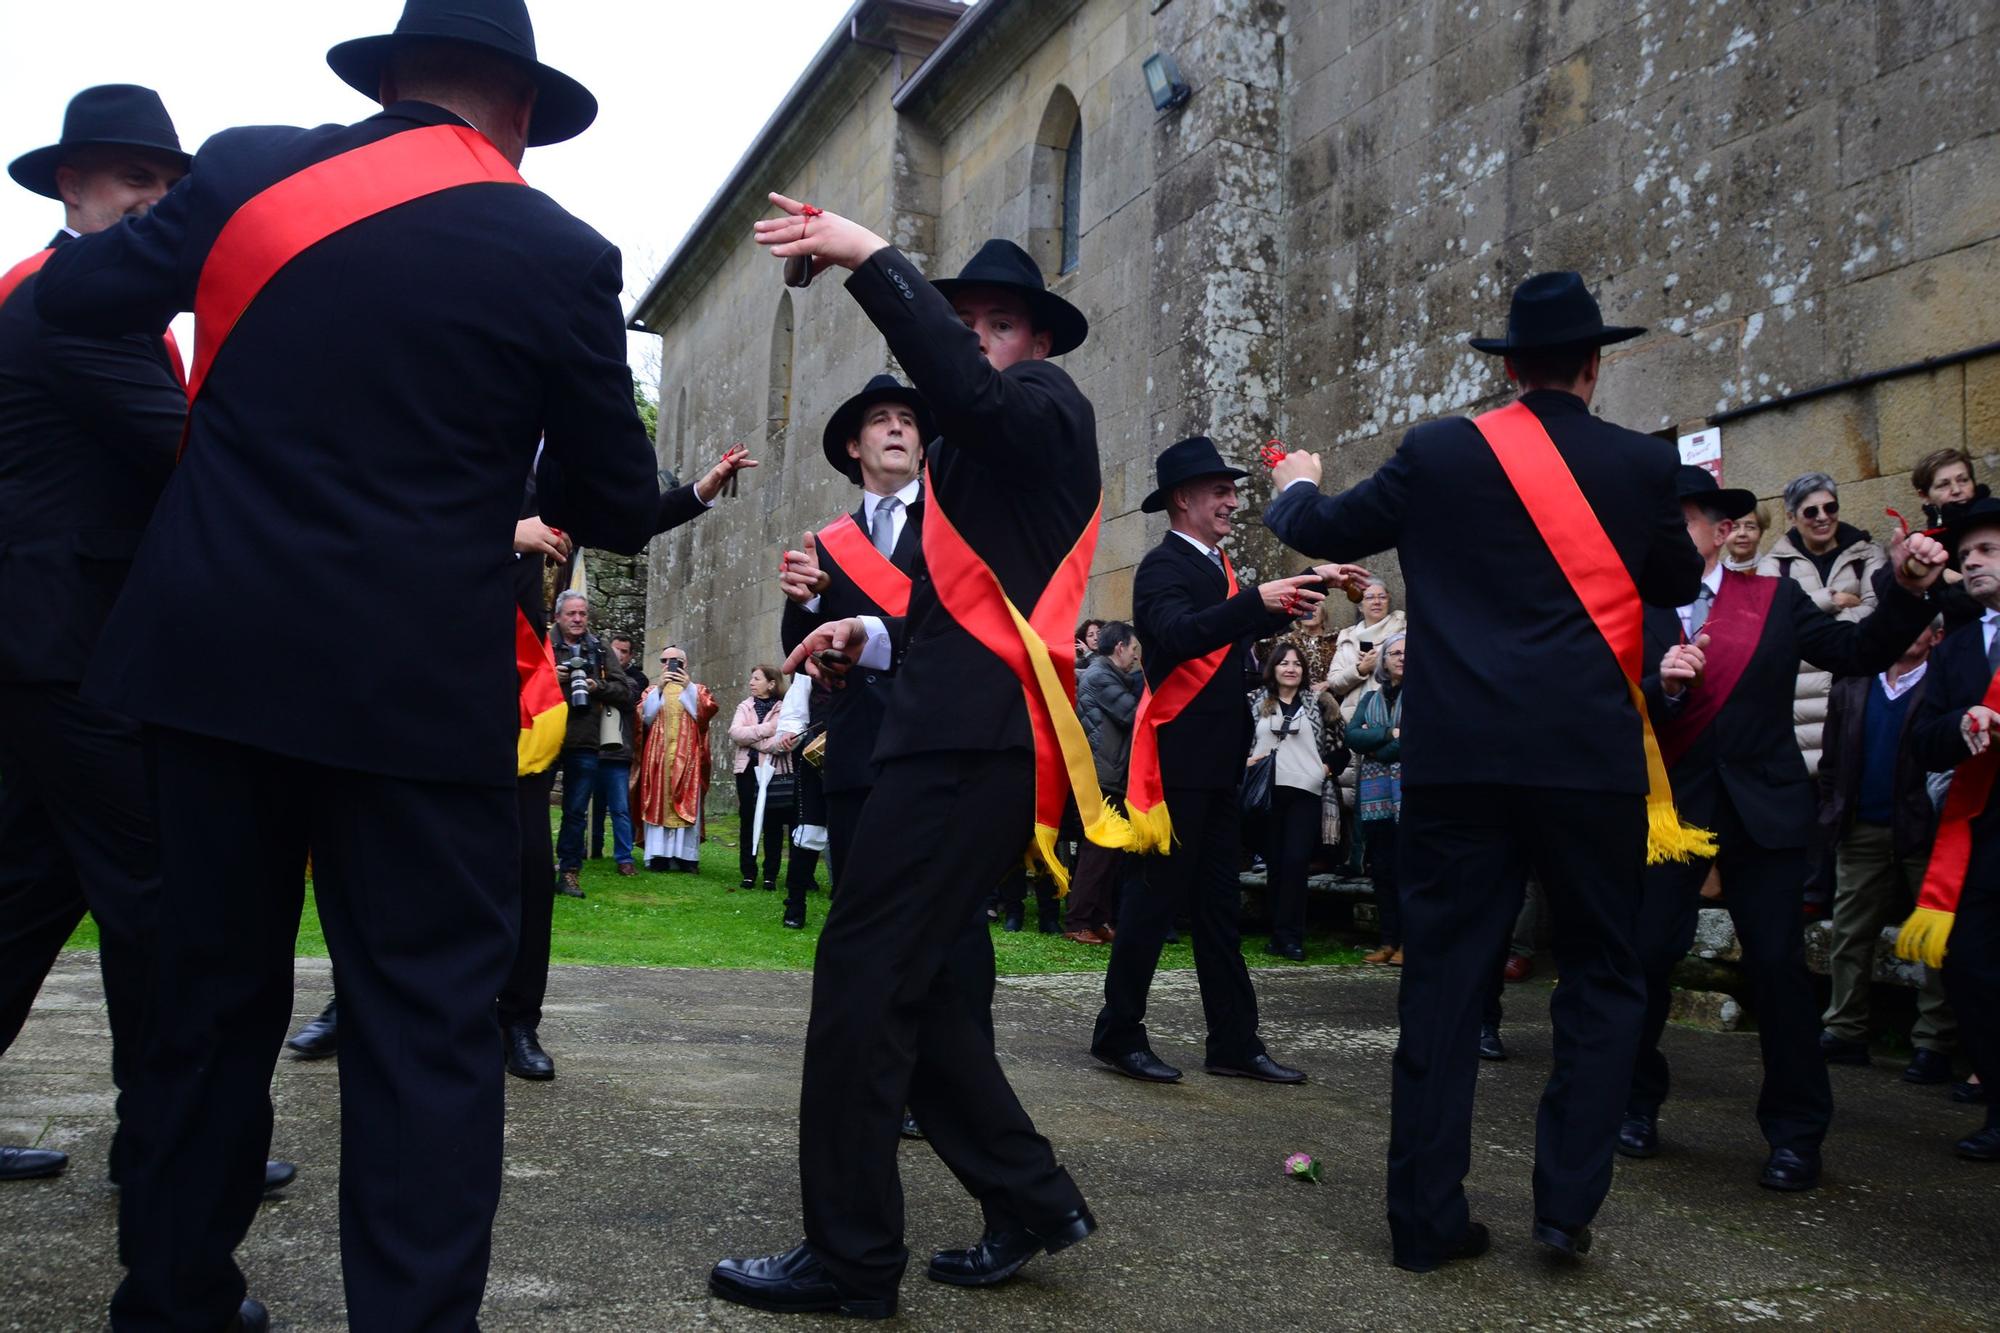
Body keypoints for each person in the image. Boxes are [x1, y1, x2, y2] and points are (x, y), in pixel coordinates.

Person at [31, 4, 743, 1325]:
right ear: (521, 111)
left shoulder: (244, 169)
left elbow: (64, 306)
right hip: (414, 691)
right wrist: (653, 497)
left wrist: (199, 445)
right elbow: (604, 490)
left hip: (206, 662)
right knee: (424, 1033)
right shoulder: (559, 250)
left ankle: (174, 1302)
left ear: (388, 79)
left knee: (202, 1011)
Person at [1265, 270, 1706, 1270]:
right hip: (1588, 764)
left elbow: (1317, 529)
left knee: (1443, 984)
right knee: (1601, 972)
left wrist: (1294, 475)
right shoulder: (1642, 465)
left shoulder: (1437, 452)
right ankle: (1563, 1204)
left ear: (1507, 369)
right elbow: (1677, 578)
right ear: (1593, 366)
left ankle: (1423, 1223)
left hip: (1458, 762)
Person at [717, 210, 1110, 1316]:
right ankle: (1030, 1196)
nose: (977, 339)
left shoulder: (1040, 405)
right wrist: (867, 636)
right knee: (926, 992)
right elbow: (954, 619)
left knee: (860, 984)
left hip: (965, 750)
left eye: (998, 323)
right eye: (963, 323)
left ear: (1034, 342)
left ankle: (849, 1260)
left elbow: (973, 397)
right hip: (953, 732)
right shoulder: (962, 462)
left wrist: (863, 253)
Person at [0, 86, 300, 1205]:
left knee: (28, 894)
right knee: (163, 901)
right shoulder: (72, 306)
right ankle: (177, 1151)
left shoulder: (70, 302)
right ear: (68, 185)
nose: (155, 203)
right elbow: (193, 461)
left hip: (50, 650)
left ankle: (172, 1137)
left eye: (170, 189)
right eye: (132, 180)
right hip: (71, 652)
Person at [1616, 465, 1942, 1191]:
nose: (1670, 531)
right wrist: (1659, 690)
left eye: (1686, 519)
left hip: (1765, 809)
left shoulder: (1773, 598)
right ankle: (1633, 1102)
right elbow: (1604, 707)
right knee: (1644, 958)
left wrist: (1911, 591)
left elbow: (1856, 653)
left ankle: (1796, 1131)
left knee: (1778, 970)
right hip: (1670, 816)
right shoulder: (1631, 611)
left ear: (1721, 529)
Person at [1094, 435, 1339, 1086]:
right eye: (1220, 491)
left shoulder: (1218, 567)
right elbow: (1175, 636)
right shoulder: (1163, 567)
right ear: (1183, 500)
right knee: (1151, 903)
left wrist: (1309, 587)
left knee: (1220, 911)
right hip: (1174, 765)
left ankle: (1233, 1039)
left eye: (1233, 490)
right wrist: (1254, 604)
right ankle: (1118, 1032)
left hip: (1221, 765)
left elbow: (1229, 637)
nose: (1233, 501)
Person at [777, 373, 935, 888]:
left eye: (907, 422)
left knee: (939, 925)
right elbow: (801, 656)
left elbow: (966, 624)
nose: (897, 429)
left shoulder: (954, 527)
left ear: (921, 448)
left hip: (934, 746)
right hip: (855, 750)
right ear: (854, 445)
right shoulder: (827, 542)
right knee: (855, 916)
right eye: (881, 420)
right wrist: (809, 602)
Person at [1900, 494, 2000, 1162]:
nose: (1973, 560)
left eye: (1987, 549)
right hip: (1982, 832)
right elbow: (1923, 738)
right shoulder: (1958, 646)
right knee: (1973, 967)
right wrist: (1962, 728)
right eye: (1965, 554)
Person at [1817, 616, 1958, 1084]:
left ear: (1935, 637)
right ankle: (1845, 1030)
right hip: (1861, 829)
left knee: (1935, 941)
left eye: (1917, 628)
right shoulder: (1855, 681)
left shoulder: (1944, 684)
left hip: (1925, 831)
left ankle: (1933, 1043)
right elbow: (1832, 759)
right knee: (1849, 935)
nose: (1905, 635)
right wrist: (1832, 813)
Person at [1758, 472, 1887, 776]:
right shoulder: (1774, 565)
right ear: (1791, 516)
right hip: (1799, 698)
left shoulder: (1866, 555)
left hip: (1856, 687)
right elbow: (1774, 622)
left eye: (1831, 508)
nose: (1823, 518)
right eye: (1811, 511)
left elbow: (1876, 616)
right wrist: (1833, 599)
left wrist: (1805, 616)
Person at [1248, 642, 1346, 961]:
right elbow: (1238, 742)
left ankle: (1292, 937)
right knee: (1276, 865)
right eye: (1284, 663)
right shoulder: (1254, 701)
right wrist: (1247, 762)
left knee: (1295, 862)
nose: (1291, 668)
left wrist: (1324, 770)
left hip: (1306, 793)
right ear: (1273, 668)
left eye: (1297, 664)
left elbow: (1342, 748)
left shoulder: (1320, 703)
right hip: (1267, 793)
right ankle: (1277, 934)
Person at [552, 590, 636, 887]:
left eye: (582, 614)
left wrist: (595, 685)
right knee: (532, 806)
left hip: (585, 738)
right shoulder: (543, 644)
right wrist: (552, 676)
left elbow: (625, 691)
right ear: (558, 616)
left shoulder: (598, 648)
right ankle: (530, 865)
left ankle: (569, 872)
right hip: (545, 734)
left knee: (576, 810)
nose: (577, 619)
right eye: (571, 614)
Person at [1067, 621, 1143, 943]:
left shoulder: (1109, 676)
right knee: (1097, 853)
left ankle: (1098, 919)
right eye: (1134, 650)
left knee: (1110, 853)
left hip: (1112, 775)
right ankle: (1077, 921)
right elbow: (1132, 713)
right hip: (1102, 776)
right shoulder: (1100, 677)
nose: (1137, 658)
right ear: (1120, 647)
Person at [1349, 635, 1407, 967]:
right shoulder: (1370, 697)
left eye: (1407, 653)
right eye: (1395, 653)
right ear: (1383, 660)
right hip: (1376, 801)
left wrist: (1377, 746)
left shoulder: (1423, 695)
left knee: (1408, 870)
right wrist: (1389, 734)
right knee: (1383, 871)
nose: (1401, 658)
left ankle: (1409, 944)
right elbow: (1353, 736)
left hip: (1409, 796)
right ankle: (1388, 941)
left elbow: (1417, 736)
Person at [637, 647, 717, 872]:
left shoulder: (697, 689)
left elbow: (706, 712)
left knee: (687, 800)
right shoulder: (652, 690)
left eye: (676, 661)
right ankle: (658, 855)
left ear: (685, 663)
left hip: (688, 755)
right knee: (657, 801)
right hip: (659, 756)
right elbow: (644, 717)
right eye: (665, 660)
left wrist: (687, 687)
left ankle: (686, 857)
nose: (669, 664)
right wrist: (660, 689)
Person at [728, 665, 793, 891]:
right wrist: (768, 733)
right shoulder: (744, 706)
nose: (751, 682)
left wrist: (752, 736)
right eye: (751, 678)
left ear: (771, 683)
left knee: (773, 824)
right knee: (747, 820)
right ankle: (748, 873)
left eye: (756, 678)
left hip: (774, 771)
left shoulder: (784, 707)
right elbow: (735, 733)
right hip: (747, 771)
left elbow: (784, 740)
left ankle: (770, 876)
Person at [1722, 503, 1767, 572]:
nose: (1742, 533)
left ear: (1760, 533)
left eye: (1750, 527)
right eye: (1734, 527)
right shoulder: (1715, 575)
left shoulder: (1771, 573)